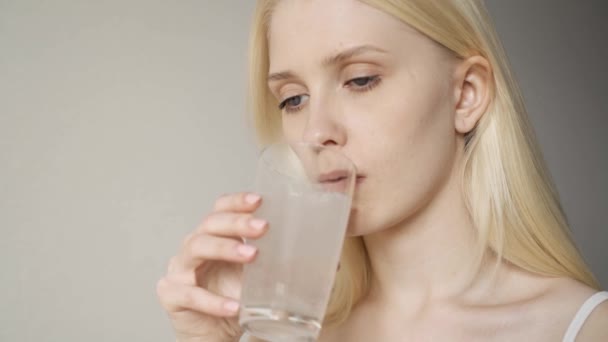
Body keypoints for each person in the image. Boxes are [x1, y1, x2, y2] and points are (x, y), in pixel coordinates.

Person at [156, 0, 608, 341]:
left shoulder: (584, 329)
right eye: (293, 98)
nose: (316, 132)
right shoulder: (288, 331)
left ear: (466, 94)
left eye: (359, 79)